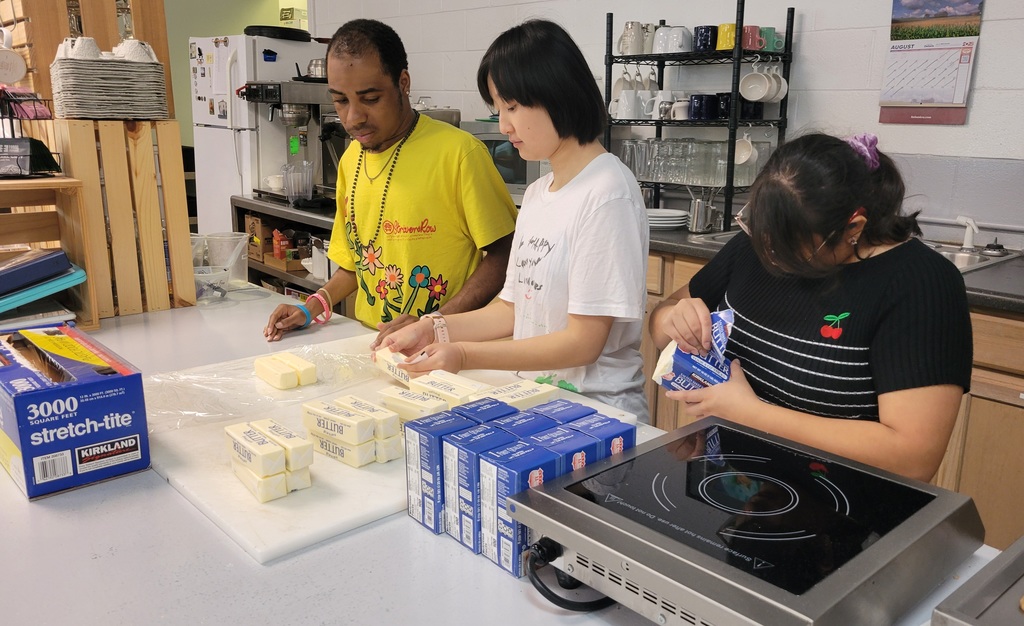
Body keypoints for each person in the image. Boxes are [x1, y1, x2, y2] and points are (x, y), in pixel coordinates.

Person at [649, 132, 972, 481]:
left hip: (843, 512)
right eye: (761, 233)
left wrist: (751, 414)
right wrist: (671, 319)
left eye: (790, 248)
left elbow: (913, 458)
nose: (769, 256)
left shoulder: (920, 285)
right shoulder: (760, 242)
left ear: (853, 227)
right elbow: (663, 318)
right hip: (736, 487)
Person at [379, 19, 650, 421]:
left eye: (512, 107)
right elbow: (511, 310)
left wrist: (464, 354)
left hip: (596, 415)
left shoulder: (607, 193)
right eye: (498, 109)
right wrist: (432, 328)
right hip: (539, 403)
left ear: (555, 94)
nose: (504, 126)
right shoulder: (541, 194)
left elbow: (583, 343)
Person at [264, 19, 518, 346]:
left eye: (370, 98)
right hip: (372, 344)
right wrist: (312, 307)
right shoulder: (351, 160)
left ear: (403, 82)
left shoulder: (459, 154)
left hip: (446, 348)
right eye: (340, 100)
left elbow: (504, 253)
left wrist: (436, 324)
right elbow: (355, 263)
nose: (353, 117)